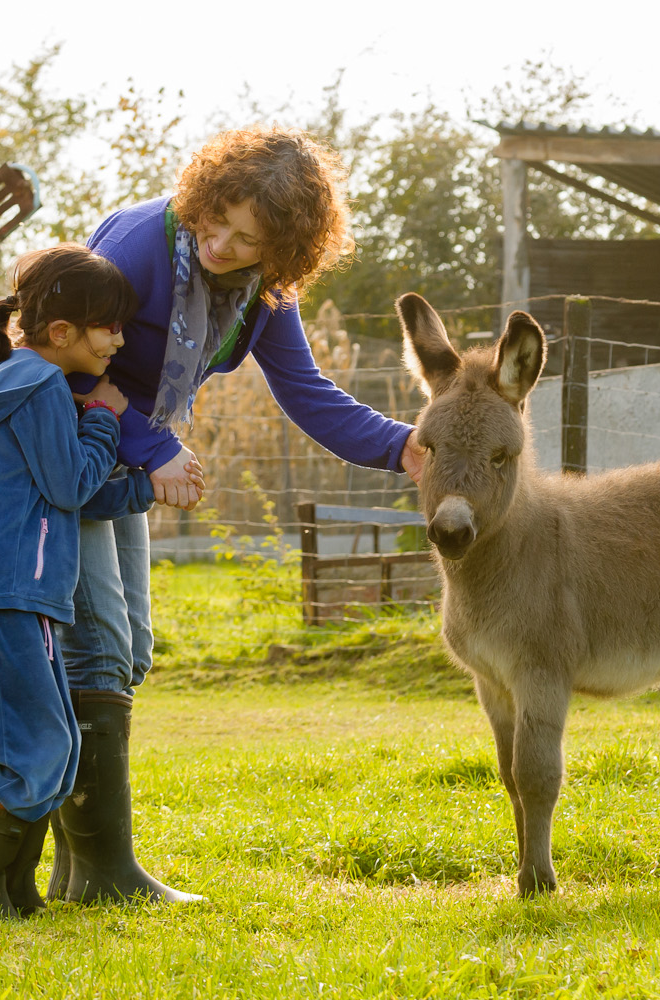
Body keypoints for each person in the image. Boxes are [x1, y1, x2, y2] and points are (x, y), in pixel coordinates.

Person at [51, 126, 423, 904]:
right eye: (216, 219)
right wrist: (154, 447)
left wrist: (406, 448)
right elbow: (68, 366)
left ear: (283, 249)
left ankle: (71, 865)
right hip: (66, 451)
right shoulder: (135, 246)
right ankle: (103, 877)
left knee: (131, 651)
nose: (219, 243)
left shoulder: (261, 295)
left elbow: (310, 396)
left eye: (248, 239)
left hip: (121, 459)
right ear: (203, 195)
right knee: (98, 649)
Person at [0, 245, 170, 918]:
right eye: (110, 326)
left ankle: (12, 893)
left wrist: (141, 488)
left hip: (3, 592)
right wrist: (102, 418)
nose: (120, 340)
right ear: (61, 332)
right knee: (39, 751)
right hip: (8, 594)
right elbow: (71, 483)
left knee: (55, 748)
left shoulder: (11, 382)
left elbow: (60, 492)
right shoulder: (39, 386)